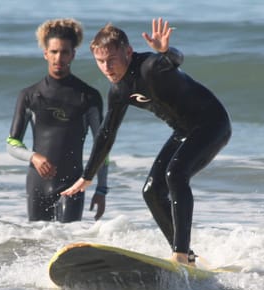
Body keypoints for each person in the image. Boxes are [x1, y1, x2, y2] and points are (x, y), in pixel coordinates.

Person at [61, 18, 231, 266]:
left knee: (175, 174)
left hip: (212, 124)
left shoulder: (150, 66)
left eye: (111, 59)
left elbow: (175, 60)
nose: (106, 67)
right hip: (183, 131)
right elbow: (107, 132)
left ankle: (180, 255)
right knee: (151, 191)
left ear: (128, 52)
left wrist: (165, 50)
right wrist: (88, 175)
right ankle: (188, 255)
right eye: (100, 61)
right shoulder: (118, 90)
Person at [7, 18, 109, 223]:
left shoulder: (88, 96)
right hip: (38, 184)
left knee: (67, 241)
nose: (58, 58)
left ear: (73, 54)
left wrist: (101, 189)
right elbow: (12, 143)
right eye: (53, 52)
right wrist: (33, 157)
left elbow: (102, 146)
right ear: (45, 53)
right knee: (36, 244)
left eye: (64, 52)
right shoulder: (29, 95)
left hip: (73, 183)